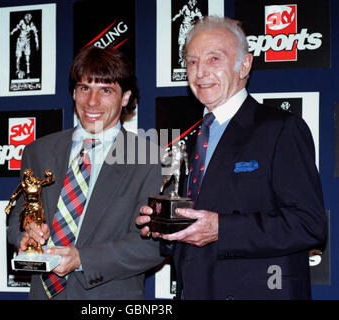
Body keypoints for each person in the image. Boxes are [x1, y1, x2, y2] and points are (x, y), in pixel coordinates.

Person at [136, 16, 327, 300]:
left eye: (214, 59)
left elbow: (309, 224)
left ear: (244, 65)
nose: (200, 72)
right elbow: (193, 229)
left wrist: (222, 229)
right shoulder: (190, 139)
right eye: (192, 62)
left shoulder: (281, 129)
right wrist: (164, 228)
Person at [7, 45, 164, 299]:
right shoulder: (38, 151)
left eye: (106, 90)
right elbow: (17, 217)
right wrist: (25, 234)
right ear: (74, 93)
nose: (92, 102)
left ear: (125, 98)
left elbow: (154, 246)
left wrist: (82, 259)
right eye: (84, 88)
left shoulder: (149, 159)